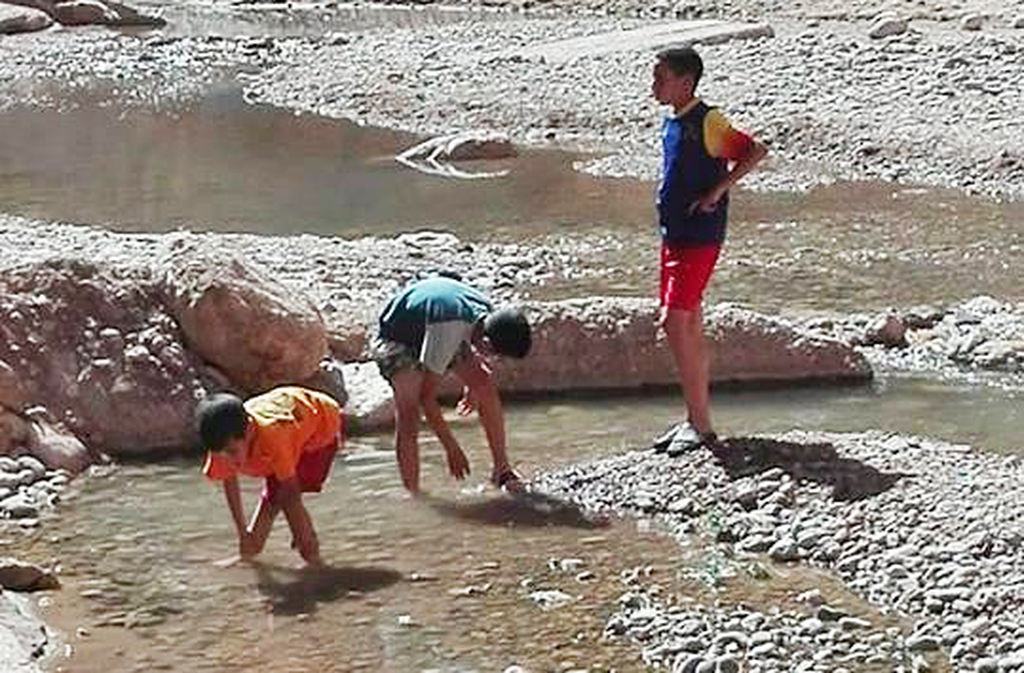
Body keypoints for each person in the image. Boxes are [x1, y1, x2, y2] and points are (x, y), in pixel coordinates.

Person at [649, 46, 768, 455]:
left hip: (698, 236)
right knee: (689, 322)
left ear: (686, 82)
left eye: (661, 78)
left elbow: (755, 152)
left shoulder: (708, 121)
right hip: (675, 233)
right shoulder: (674, 121)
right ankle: (695, 419)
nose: (654, 86)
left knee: (674, 322)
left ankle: (700, 425)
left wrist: (716, 191)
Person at [374, 275, 532, 494]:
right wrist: (451, 447)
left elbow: (473, 353)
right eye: (497, 356)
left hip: (435, 326)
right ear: (485, 343)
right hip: (399, 338)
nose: (496, 361)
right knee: (409, 410)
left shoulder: (487, 314)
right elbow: (426, 397)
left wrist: (472, 384)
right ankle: (414, 494)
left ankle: (502, 470)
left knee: (484, 385)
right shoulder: (449, 328)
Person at [196, 386, 343, 567]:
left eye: (233, 452)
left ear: (249, 431)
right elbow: (229, 478)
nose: (229, 460)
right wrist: (243, 534)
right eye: (223, 454)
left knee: (286, 501)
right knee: (274, 499)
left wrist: (299, 531)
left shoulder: (273, 436)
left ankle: (315, 561)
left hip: (319, 428)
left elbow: (291, 493)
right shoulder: (222, 446)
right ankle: (249, 554)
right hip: (289, 424)